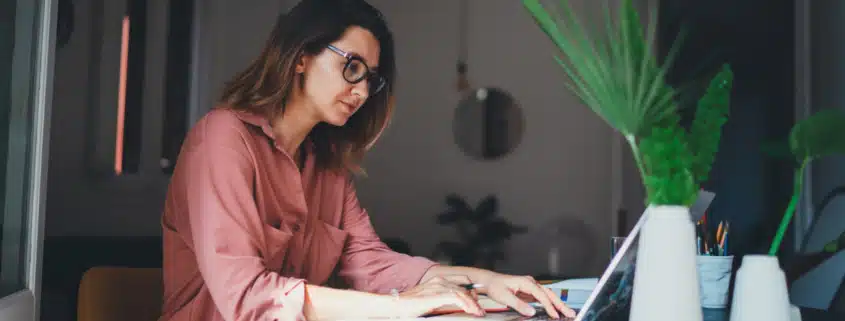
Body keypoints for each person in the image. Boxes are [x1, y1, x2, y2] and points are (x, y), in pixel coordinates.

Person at [159, 1, 575, 320]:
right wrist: (400, 307)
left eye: (370, 79)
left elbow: (372, 264)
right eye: (351, 67)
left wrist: (483, 280)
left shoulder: (327, 168)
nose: (360, 92)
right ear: (301, 55)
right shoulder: (222, 138)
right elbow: (246, 298)